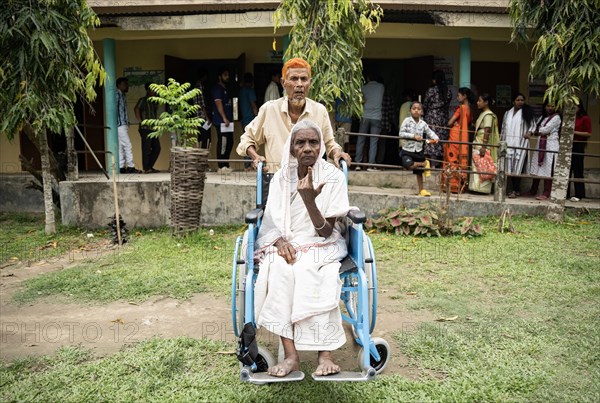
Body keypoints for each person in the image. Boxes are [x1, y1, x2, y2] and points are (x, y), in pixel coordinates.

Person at [254, 120, 349, 378]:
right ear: (292, 148)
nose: (307, 148)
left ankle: (325, 354)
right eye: (300, 142)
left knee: (313, 271)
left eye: (313, 142)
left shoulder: (334, 177)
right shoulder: (281, 180)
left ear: (320, 146)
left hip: (322, 242)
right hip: (289, 241)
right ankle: (291, 355)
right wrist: (280, 242)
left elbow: (326, 231)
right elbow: (271, 222)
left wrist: (309, 199)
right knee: (278, 269)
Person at [236, 57, 350, 172]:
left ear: (309, 83)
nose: (299, 84)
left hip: (311, 181)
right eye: (294, 79)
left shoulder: (319, 111)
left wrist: (337, 154)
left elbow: (330, 144)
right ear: (283, 83)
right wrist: (256, 157)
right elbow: (247, 139)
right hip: (276, 180)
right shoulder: (270, 110)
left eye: (304, 79)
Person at [399, 101, 439, 197]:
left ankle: (421, 190)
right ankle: (425, 163)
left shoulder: (423, 123)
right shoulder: (407, 121)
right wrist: (413, 136)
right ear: (410, 110)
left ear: (422, 112)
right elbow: (401, 133)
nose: (416, 111)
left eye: (418, 109)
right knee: (408, 164)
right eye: (414, 109)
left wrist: (436, 138)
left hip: (419, 150)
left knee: (419, 172)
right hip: (408, 150)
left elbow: (430, 132)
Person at [524, 101, 561, 200]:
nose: (550, 108)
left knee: (548, 169)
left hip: (550, 145)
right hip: (540, 144)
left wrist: (534, 132)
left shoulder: (557, 117)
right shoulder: (542, 118)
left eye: (552, 106)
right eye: (548, 106)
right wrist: (535, 131)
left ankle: (546, 192)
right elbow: (536, 128)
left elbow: (545, 130)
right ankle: (533, 190)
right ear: (545, 107)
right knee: (537, 167)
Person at [501, 93, 535, 198]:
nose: (520, 102)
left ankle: (515, 190)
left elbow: (533, 125)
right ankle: (513, 189)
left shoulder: (527, 111)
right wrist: (501, 141)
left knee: (518, 167)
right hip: (509, 143)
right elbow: (503, 128)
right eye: (518, 100)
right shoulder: (507, 113)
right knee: (509, 167)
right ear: (513, 102)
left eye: (522, 100)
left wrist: (529, 132)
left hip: (521, 143)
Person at [443, 87, 474, 193]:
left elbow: (449, 123)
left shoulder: (461, 108)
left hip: (455, 136)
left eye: (459, 95)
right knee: (459, 160)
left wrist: (454, 123)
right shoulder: (470, 108)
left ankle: (453, 186)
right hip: (463, 138)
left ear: (464, 96)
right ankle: (461, 185)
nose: (457, 97)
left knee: (452, 159)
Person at [469, 93, 499, 194]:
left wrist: (483, 147)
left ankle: (482, 189)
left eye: (479, 101)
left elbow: (487, 130)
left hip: (482, 143)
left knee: (483, 164)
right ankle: (475, 188)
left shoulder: (488, 115)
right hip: (478, 140)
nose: (477, 103)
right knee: (477, 164)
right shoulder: (483, 113)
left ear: (486, 102)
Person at [355, 72, 384, 171]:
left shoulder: (364, 88)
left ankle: (357, 163)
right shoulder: (381, 87)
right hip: (376, 117)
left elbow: (361, 100)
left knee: (361, 140)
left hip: (365, 116)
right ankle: (371, 165)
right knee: (374, 141)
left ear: (368, 78)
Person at [423, 70, 452, 168]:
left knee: (432, 139)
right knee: (442, 139)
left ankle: (433, 165)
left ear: (435, 80)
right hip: (443, 118)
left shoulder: (431, 90)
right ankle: (442, 164)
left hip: (432, 118)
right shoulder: (448, 91)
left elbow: (425, 104)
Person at [567, 100, 592, 202]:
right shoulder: (569, 117)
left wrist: (574, 132)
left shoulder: (585, 118)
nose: (573, 109)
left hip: (579, 144)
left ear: (579, 107)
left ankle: (579, 194)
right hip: (568, 144)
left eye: (575, 106)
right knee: (567, 170)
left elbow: (588, 133)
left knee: (578, 170)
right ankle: (565, 194)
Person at [134, 83, 161, 173]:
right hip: (145, 128)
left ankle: (149, 166)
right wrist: (141, 121)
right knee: (146, 148)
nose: (154, 91)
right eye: (153, 89)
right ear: (148, 90)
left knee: (157, 147)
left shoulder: (155, 101)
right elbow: (136, 109)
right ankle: (146, 168)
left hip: (153, 128)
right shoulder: (143, 100)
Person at [116, 77, 140, 174]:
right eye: (125, 84)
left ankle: (121, 167)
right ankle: (131, 167)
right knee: (127, 145)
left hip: (123, 124)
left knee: (121, 147)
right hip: (119, 124)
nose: (127, 86)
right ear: (119, 85)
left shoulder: (122, 95)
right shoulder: (117, 95)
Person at [212, 67, 234, 173]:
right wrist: (224, 118)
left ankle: (226, 163)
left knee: (230, 141)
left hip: (228, 122)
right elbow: (218, 103)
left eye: (228, 75)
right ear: (219, 77)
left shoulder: (226, 89)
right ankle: (220, 166)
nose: (227, 77)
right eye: (225, 75)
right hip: (221, 122)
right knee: (223, 142)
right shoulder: (217, 89)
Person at [239, 72, 258, 171]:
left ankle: (247, 165)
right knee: (251, 142)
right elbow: (253, 105)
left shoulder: (241, 91)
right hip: (250, 119)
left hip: (243, 119)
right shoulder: (250, 91)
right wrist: (258, 117)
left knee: (246, 141)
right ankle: (249, 165)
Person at [193, 68, 212, 149]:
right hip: (202, 117)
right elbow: (202, 104)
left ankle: (201, 158)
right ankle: (203, 158)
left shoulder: (195, 86)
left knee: (200, 138)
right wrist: (207, 117)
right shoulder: (199, 86)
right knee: (205, 139)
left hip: (197, 117)